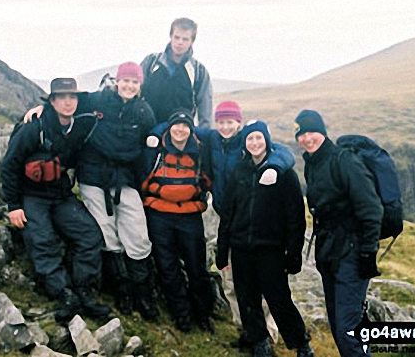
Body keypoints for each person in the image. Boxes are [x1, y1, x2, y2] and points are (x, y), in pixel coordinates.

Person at [0, 78, 111, 322]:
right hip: (31, 196)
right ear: (52, 101)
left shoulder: (79, 127)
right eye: (61, 97)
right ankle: (64, 294)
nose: (68, 102)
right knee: (42, 241)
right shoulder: (33, 127)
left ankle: (84, 291)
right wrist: (14, 206)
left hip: (61, 195)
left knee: (89, 235)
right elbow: (9, 166)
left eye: (72, 97)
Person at [196, 101, 296, 346]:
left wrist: (274, 166)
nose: (225, 126)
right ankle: (245, 329)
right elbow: (182, 125)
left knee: (262, 281)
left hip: (254, 220)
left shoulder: (250, 140)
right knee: (231, 280)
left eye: (230, 122)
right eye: (220, 122)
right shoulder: (212, 139)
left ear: (239, 123)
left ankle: (268, 332)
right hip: (226, 219)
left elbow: (284, 153)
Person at [217, 120, 314, 357]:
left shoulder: (284, 174)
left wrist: (293, 254)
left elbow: (295, 217)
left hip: (271, 249)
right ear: (245, 142)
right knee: (247, 299)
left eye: (259, 138)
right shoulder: (239, 171)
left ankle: (301, 344)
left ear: (267, 140)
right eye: (250, 138)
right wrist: (222, 251)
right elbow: (228, 213)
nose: (255, 143)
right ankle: (260, 342)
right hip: (240, 248)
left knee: (279, 300)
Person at [294, 109, 382, 357]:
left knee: (348, 330)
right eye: (301, 134)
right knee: (338, 325)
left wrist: (368, 254)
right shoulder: (313, 164)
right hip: (329, 254)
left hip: (351, 256)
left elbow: (371, 209)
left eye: (312, 132)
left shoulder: (345, 161)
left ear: (322, 132)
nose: (307, 138)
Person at [75, 62, 158, 319]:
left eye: (135, 82)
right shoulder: (98, 100)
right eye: (126, 81)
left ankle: (142, 295)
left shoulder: (144, 111)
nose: (129, 86)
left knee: (138, 235)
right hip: (92, 176)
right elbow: (66, 103)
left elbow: (149, 145)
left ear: (140, 85)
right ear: (117, 81)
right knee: (107, 232)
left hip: (124, 179)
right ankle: (122, 292)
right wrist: (39, 108)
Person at [141, 109, 216, 333]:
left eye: (185, 125)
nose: (180, 129)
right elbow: (143, 179)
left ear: (191, 129)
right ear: (169, 127)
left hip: (190, 216)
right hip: (159, 215)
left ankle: (203, 314)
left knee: (196, 266)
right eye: (176, 125)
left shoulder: (201, 151)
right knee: (168, 266)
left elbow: (208, 180)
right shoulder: (156, 150)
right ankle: (181, 314)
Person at [140, 17, 213, 128]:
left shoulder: (198, 71)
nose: (179, 43)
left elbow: (205, 109)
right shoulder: (151, 63)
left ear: (192, 41)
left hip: (181, 134)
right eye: (177, 37)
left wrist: (203, 137)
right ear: (170, 36)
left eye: (185, 39)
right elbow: (135, 92)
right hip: (148, 130)